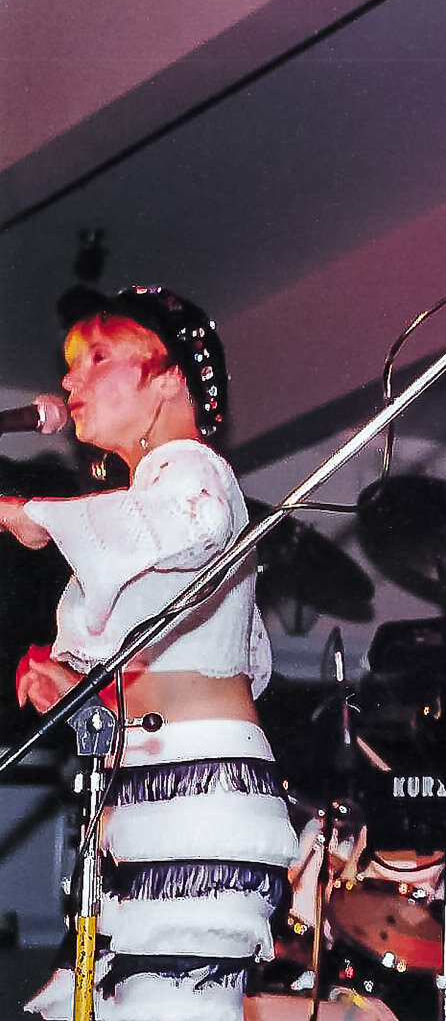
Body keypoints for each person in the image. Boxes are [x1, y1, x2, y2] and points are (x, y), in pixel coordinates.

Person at [0, 285, 298, 1021]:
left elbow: (179, 527)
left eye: (98, 357)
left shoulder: (193, 473)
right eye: (70, 365)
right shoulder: (157, 489)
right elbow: (183, 656)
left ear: (170, 378)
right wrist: (73, 684)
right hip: (171, 788)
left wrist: (31, 516)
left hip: (198, 795)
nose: (70, 381)